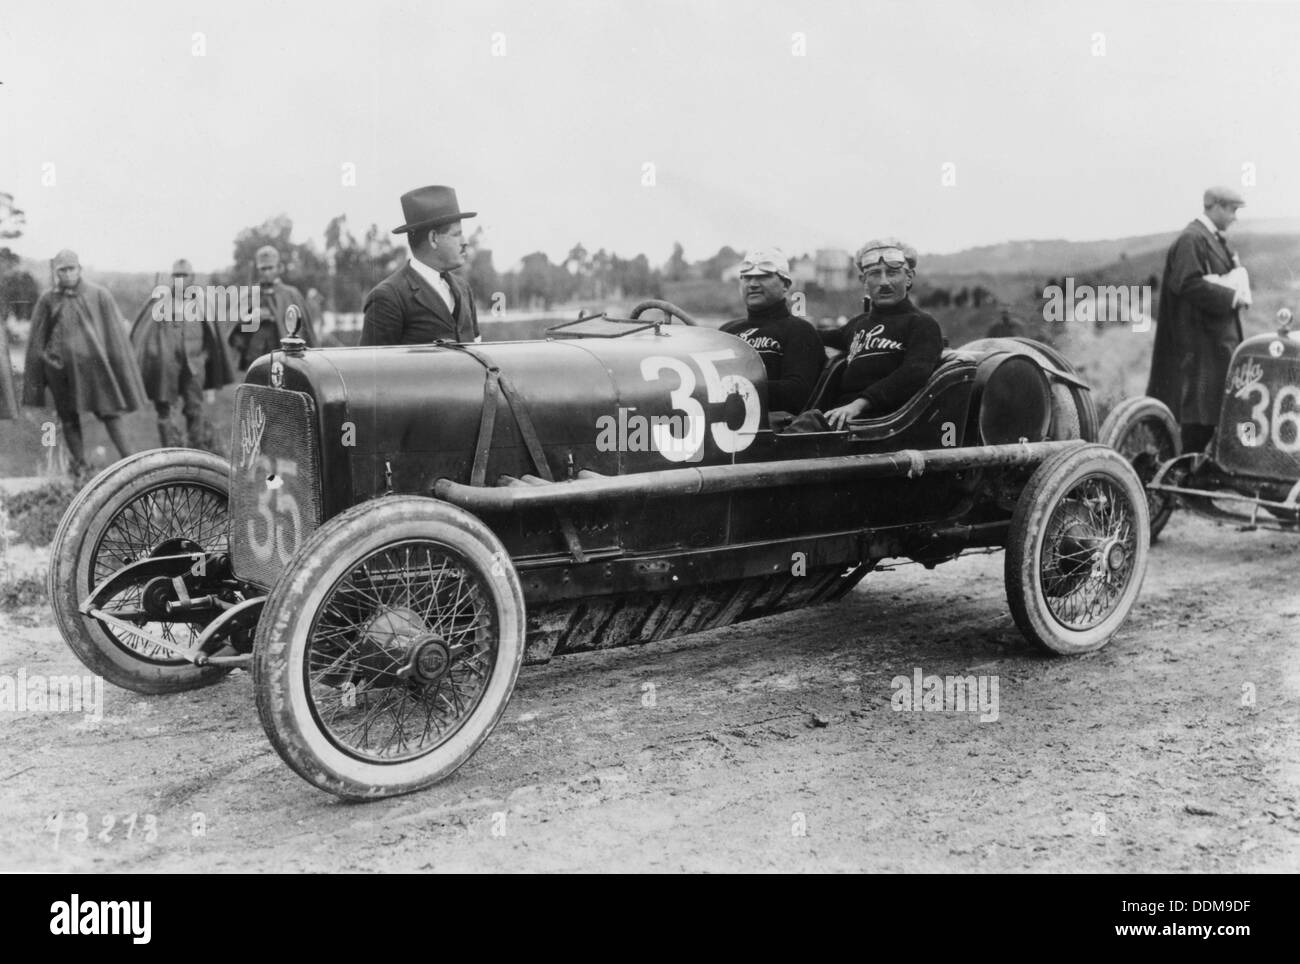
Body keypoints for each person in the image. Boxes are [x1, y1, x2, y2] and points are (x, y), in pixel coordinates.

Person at [1147, 186, 1249, 453]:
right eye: (1232, 209)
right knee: (1197, 421)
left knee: (1208, 418)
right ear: (1214, 206)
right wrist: (1231, 296)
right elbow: (1187, 284)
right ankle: (1178, 482)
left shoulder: (1212, 239)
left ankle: (1188, 481)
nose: (1235, 217)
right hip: (1199, 349)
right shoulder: (1192, 239)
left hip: (1212, 347)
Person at [22, 249, 144, 472]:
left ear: (80, 269)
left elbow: (114, 336)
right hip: (61, 372)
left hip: (95, 370)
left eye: (71, 269)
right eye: (62, 270)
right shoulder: (48, 299)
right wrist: (43, 370)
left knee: (109, 413)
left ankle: (132, 463)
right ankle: (80, 466)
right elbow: (37, 340)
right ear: (56, 272)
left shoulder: (99, 295)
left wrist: (116, 368)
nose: (67, 274)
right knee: (68, 417)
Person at [817, 238, 944, 429]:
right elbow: (815, 337)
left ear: (908, 277)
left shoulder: (922, 324)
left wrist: (859, 405)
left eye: (892, 273)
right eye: (875, 274)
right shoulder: (858, 324)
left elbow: (913, 374)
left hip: (881, 424)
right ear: (864, 282)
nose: (884, 282)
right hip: (840, 419)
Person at [130, 258, 235, 449]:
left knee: (195, 409)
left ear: (192, 277)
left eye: (184, 275)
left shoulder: (204, 303)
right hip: (167, 367)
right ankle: (170, 453)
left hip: (194, 366)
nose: (180, 279)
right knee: (165, 411)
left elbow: (213, 337)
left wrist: (203, 358)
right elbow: (147, 336)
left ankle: (196, 452)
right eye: (176, 275)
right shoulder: (160, 301)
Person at [360, 185, 480, 346]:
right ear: (433, 239)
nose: (465, 242)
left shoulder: (463, 289)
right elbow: (371, 368)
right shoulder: (387, 298)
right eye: (456, 234)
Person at [720, 247, 824, 414]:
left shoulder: (800, 331)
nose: (753, 284)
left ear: (786, 285)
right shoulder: (727, 331)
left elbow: (797, 392)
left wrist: (733, 387)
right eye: (747, 277)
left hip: (769, 427)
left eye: (763, 277)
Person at [227, 245, 318, 369]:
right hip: (256, 358)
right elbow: (235, 332)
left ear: (279, 268)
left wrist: (275, 317)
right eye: (263, 269)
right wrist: (251, 318)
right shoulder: (249, 295)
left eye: (270, 268)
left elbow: (305, 331)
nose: (267, 272)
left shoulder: (292, 294)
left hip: (287, 358)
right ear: (257, 270)